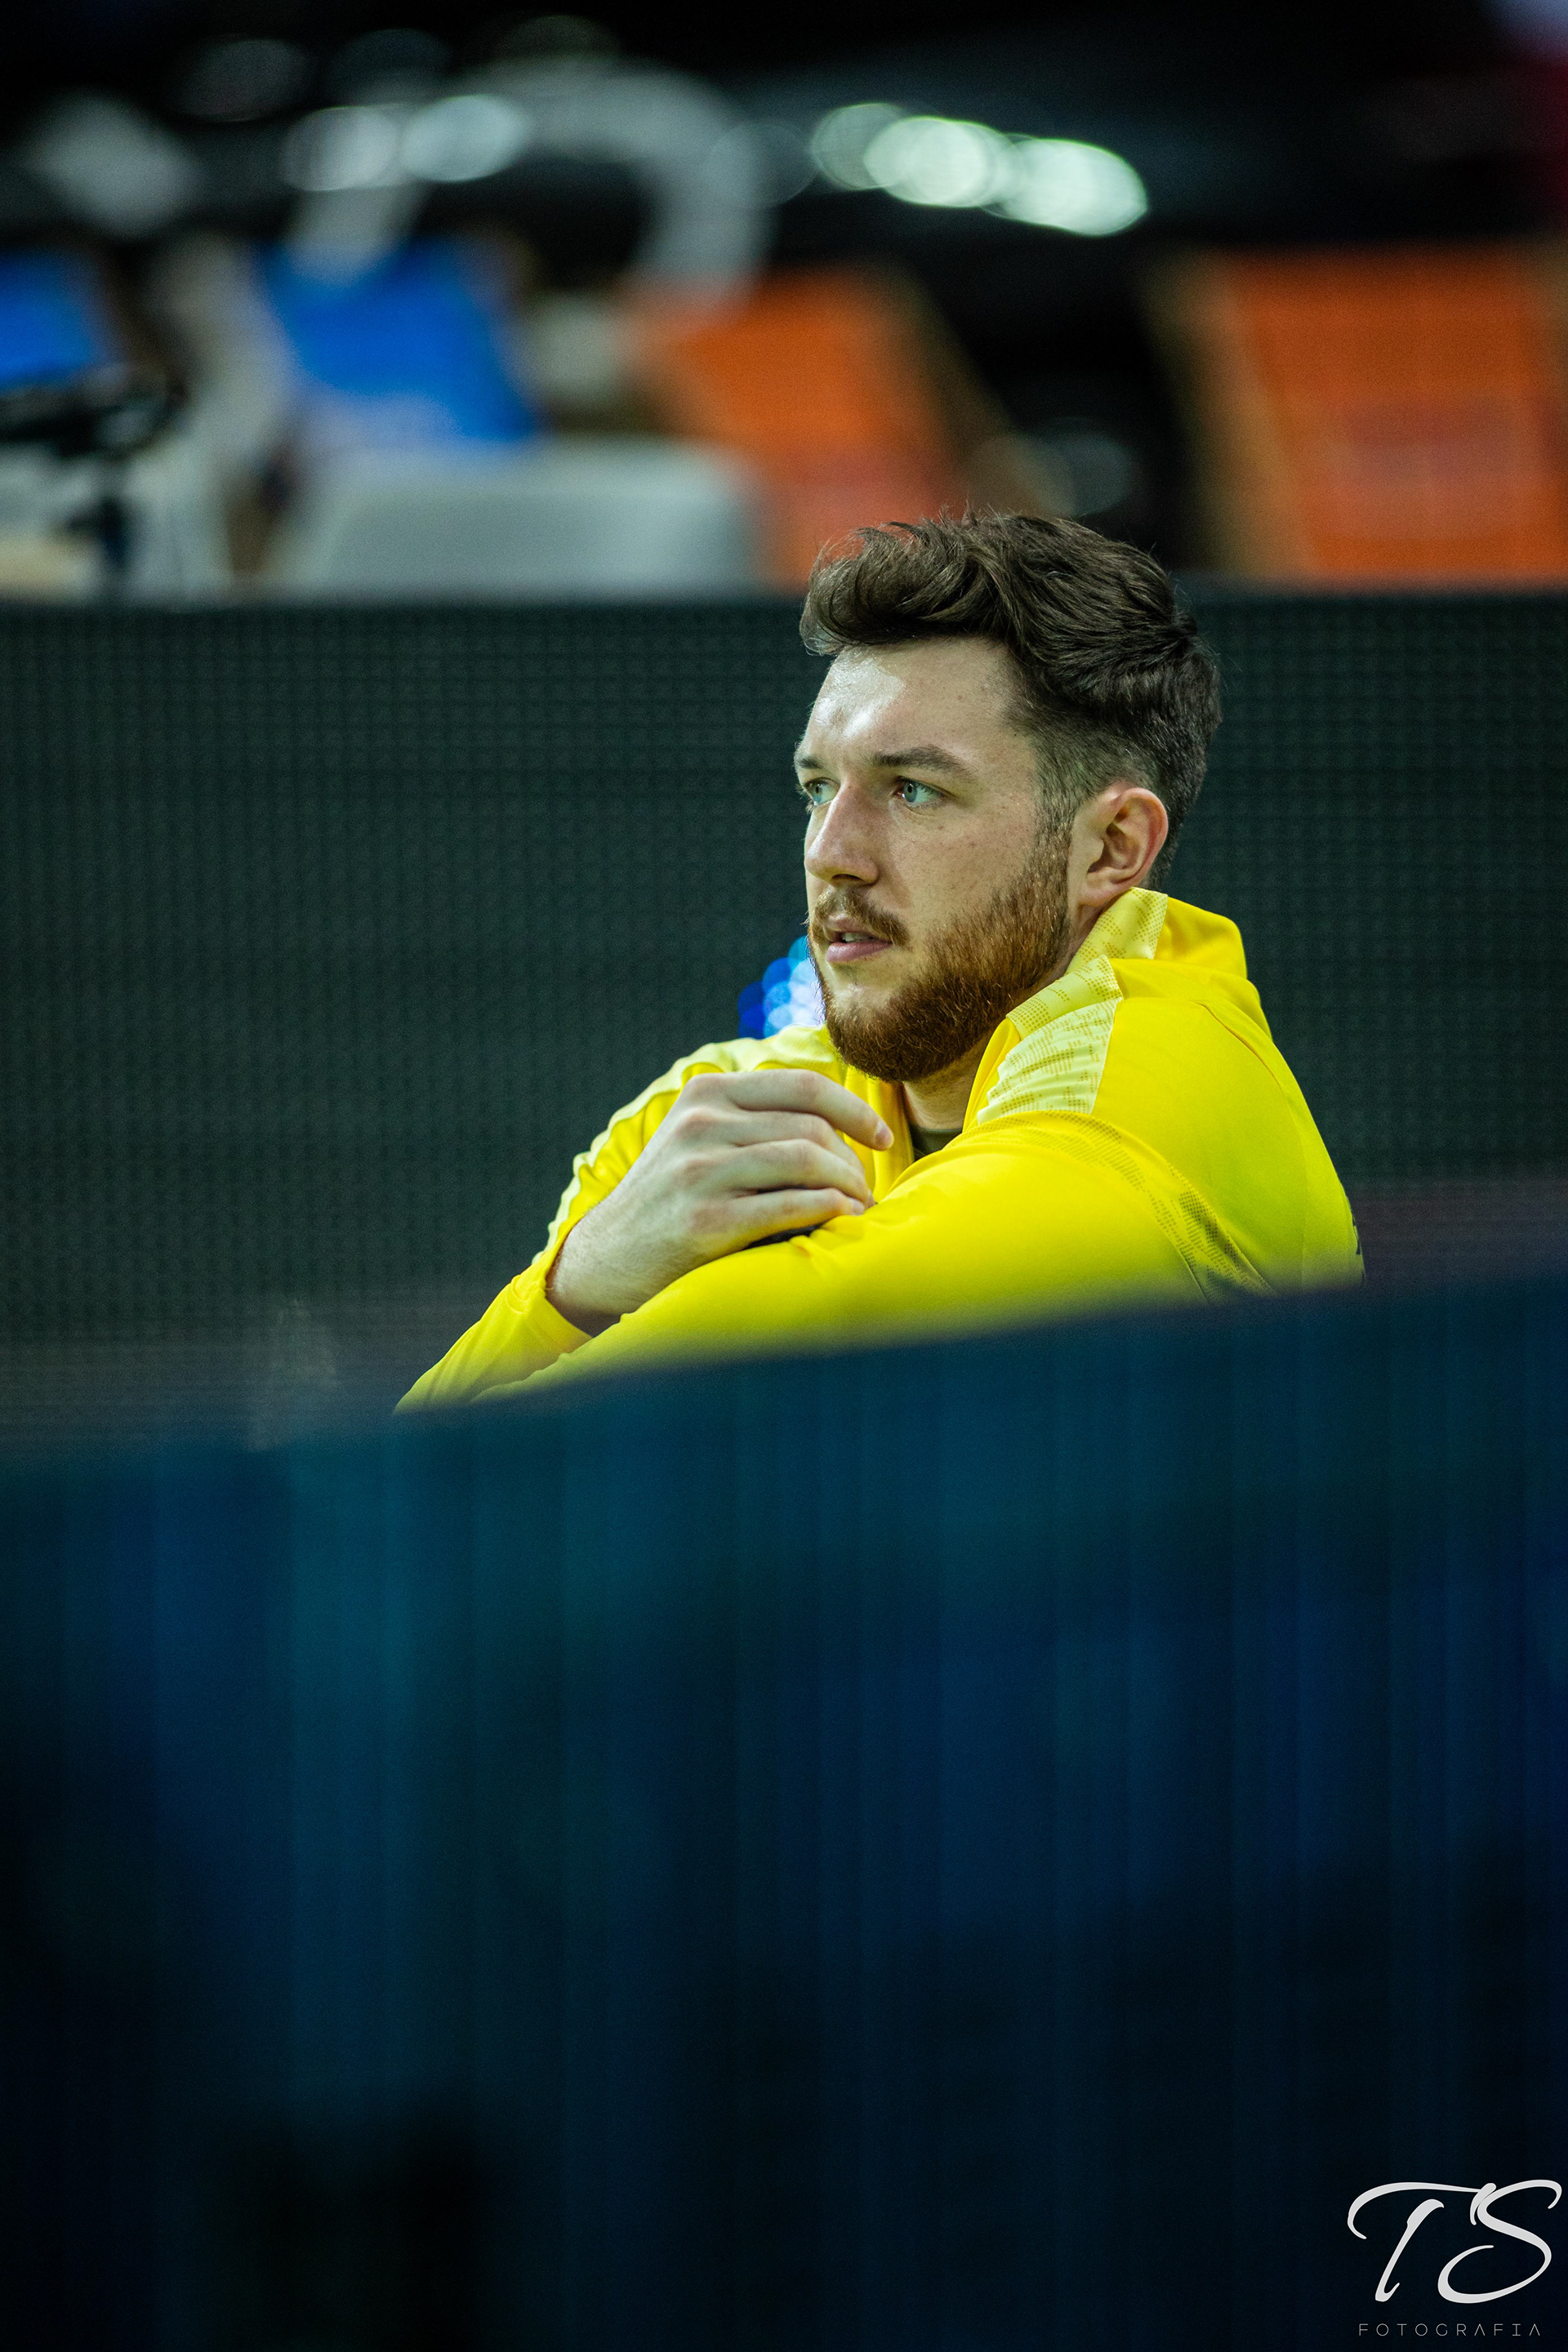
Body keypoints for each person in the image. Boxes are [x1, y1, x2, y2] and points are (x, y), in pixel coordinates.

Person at [400, 512, 1359, 1410]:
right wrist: (575, 1285)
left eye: (914, 791)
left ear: (1110, 848)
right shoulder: (718, 1124)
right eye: (819, 789)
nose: (831, 854)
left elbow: (459, 1482)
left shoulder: (1153, 1108)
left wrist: (575, 1303)